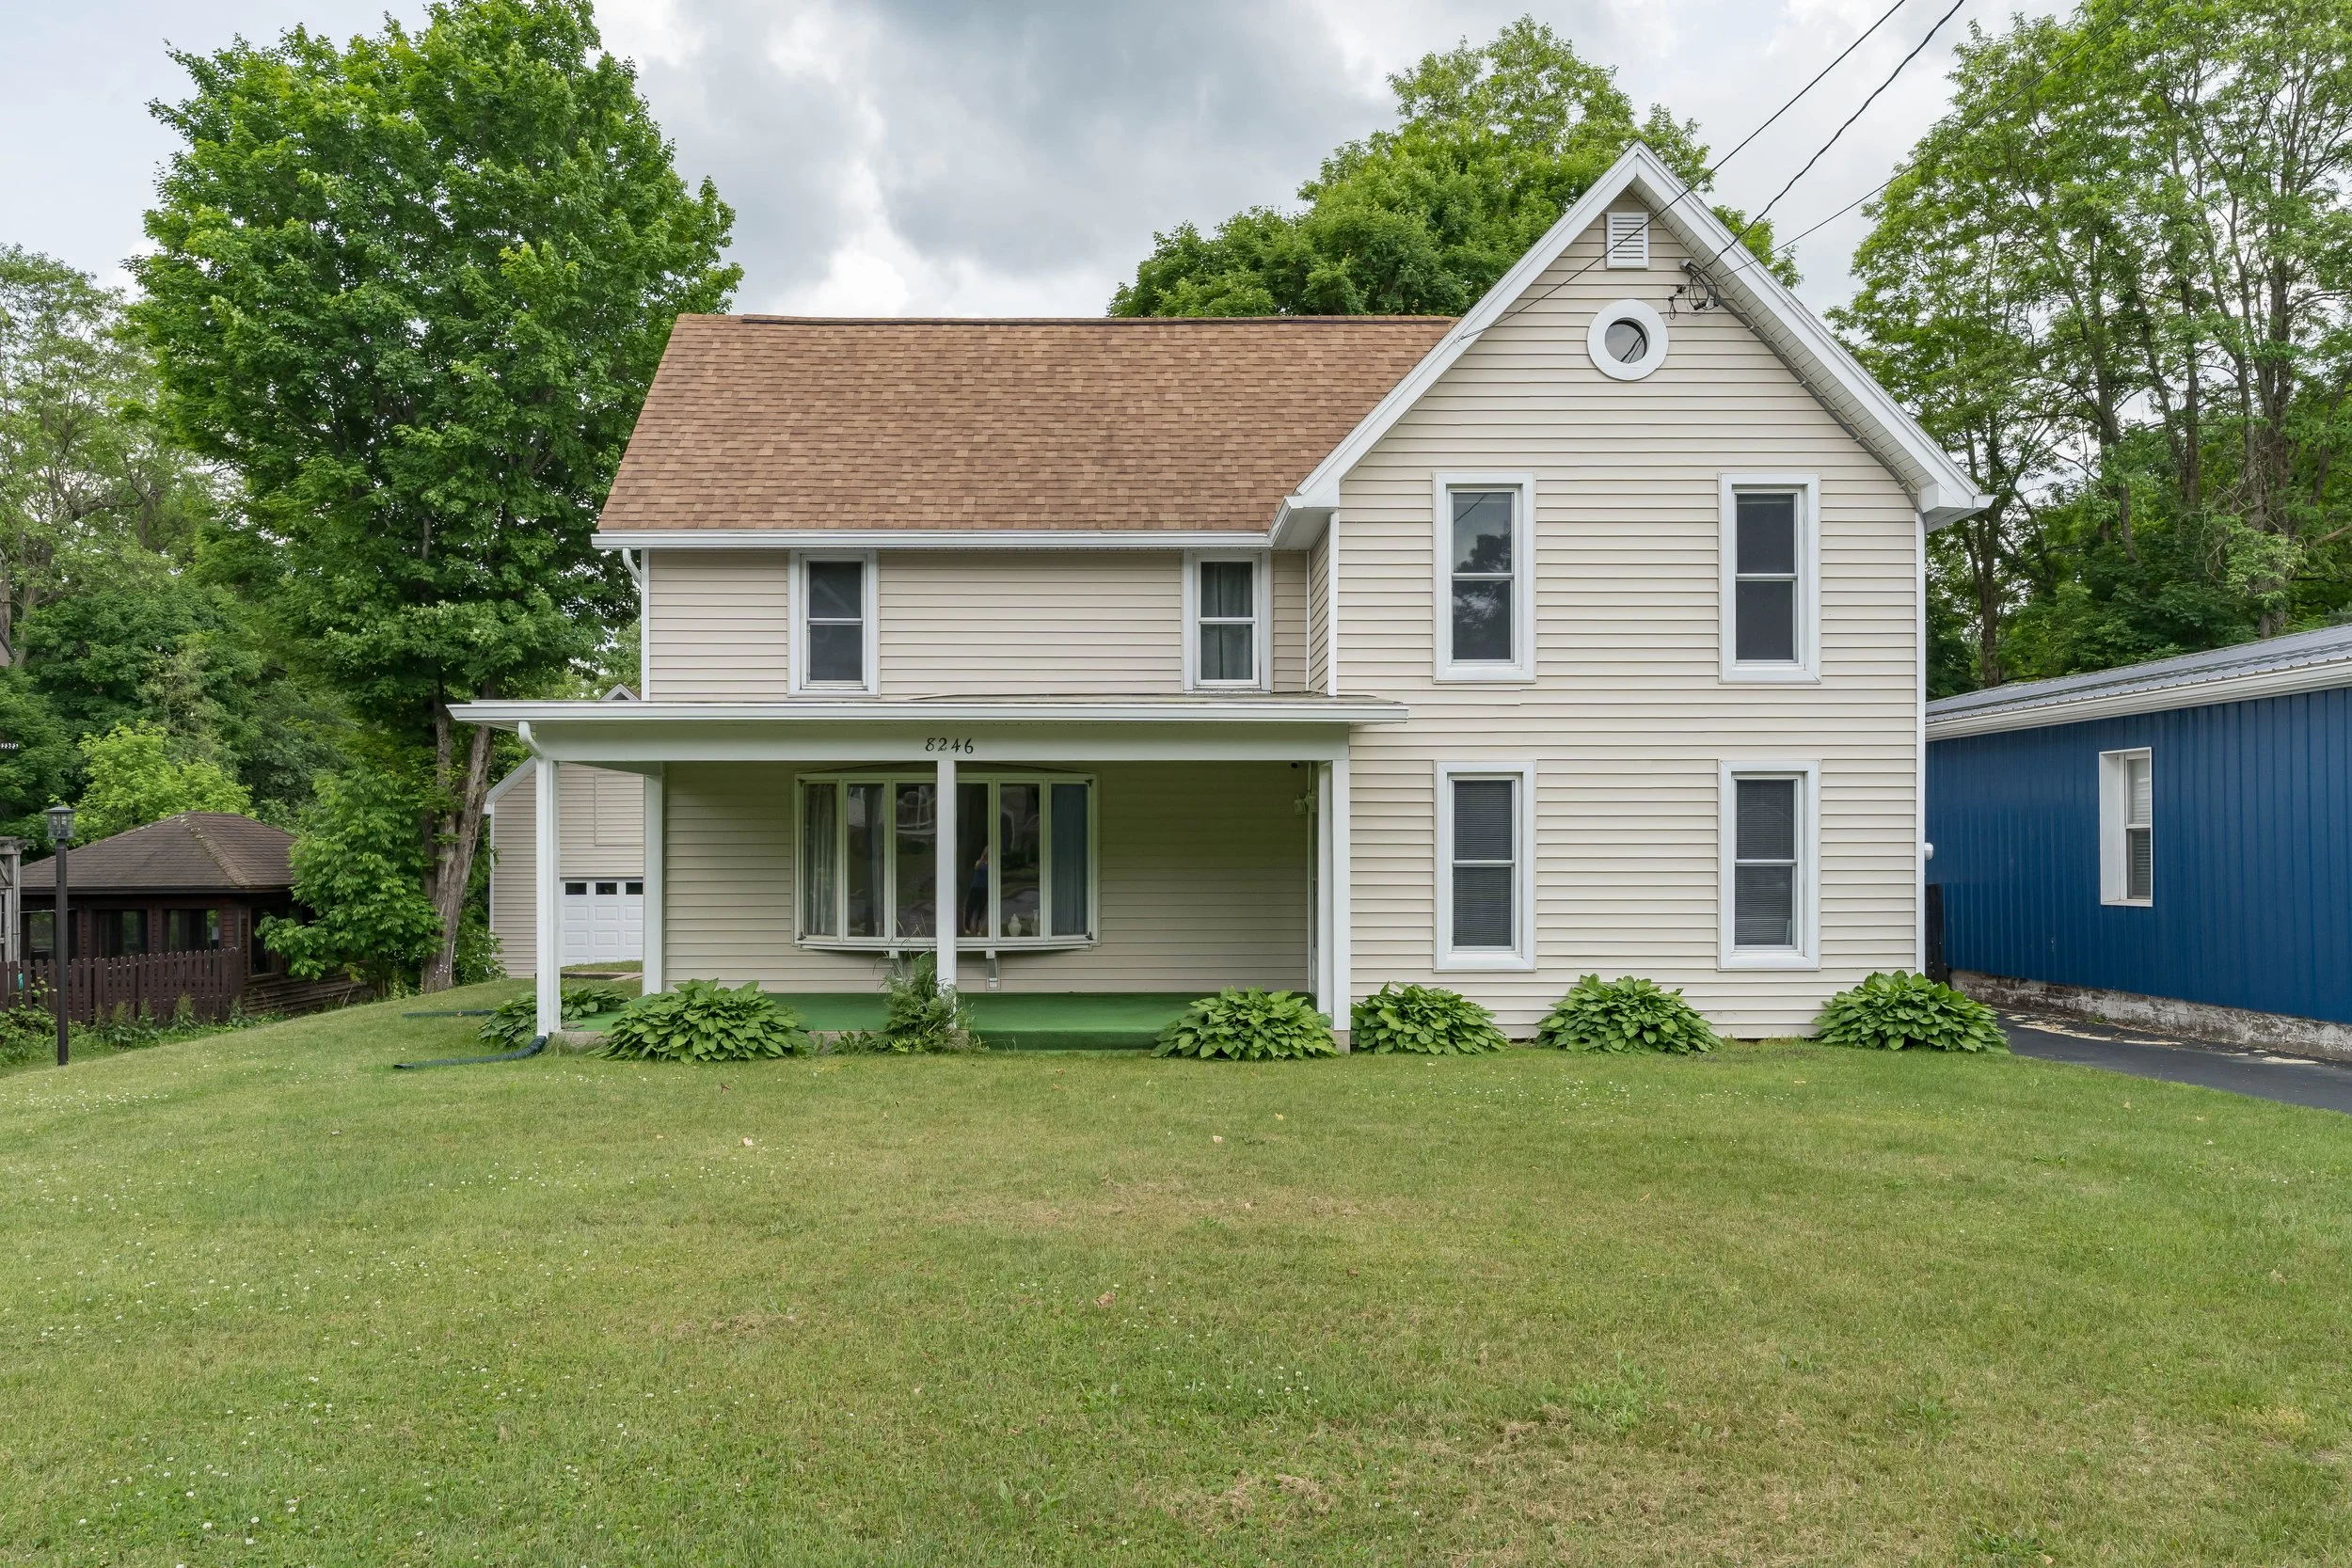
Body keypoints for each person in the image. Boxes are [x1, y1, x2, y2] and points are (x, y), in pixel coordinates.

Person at [961, 844, 989, 937]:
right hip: (975, 888)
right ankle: (967, 928)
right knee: (970, 908)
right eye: (987, 851)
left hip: (985, 889)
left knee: (981, 910)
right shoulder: (979, 862)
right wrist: (983, 858)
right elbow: (977, 867)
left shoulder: (992, 864)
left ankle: (978, 929)